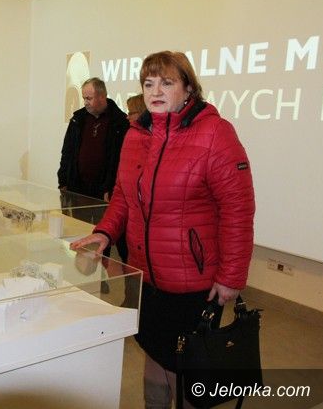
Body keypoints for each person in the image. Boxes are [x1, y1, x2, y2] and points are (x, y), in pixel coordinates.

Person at [70, 51, 255, 408]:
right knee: (154, 355)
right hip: (147, 278)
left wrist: (231, 275)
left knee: (185, 367)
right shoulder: (137, 134)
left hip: (192, 285)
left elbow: (238, 210)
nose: (155, 91)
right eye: (149, 83)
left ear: (188, 89)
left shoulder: (215, 133)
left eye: (166, 83)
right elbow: (123, 196)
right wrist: (105, 232)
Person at [58, 77, 129, 264]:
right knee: (79, 233)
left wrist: (111, 188)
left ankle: (101, 274)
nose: (86, 102)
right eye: (84, 98)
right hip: (78, 189)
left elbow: (120, 161)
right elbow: (67, 151)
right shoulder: (78, 119)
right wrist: (63, 180)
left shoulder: (120, 122)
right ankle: (81, 271)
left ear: (102, 96)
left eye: (89, 98)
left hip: (103, 193)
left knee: (101, 237)